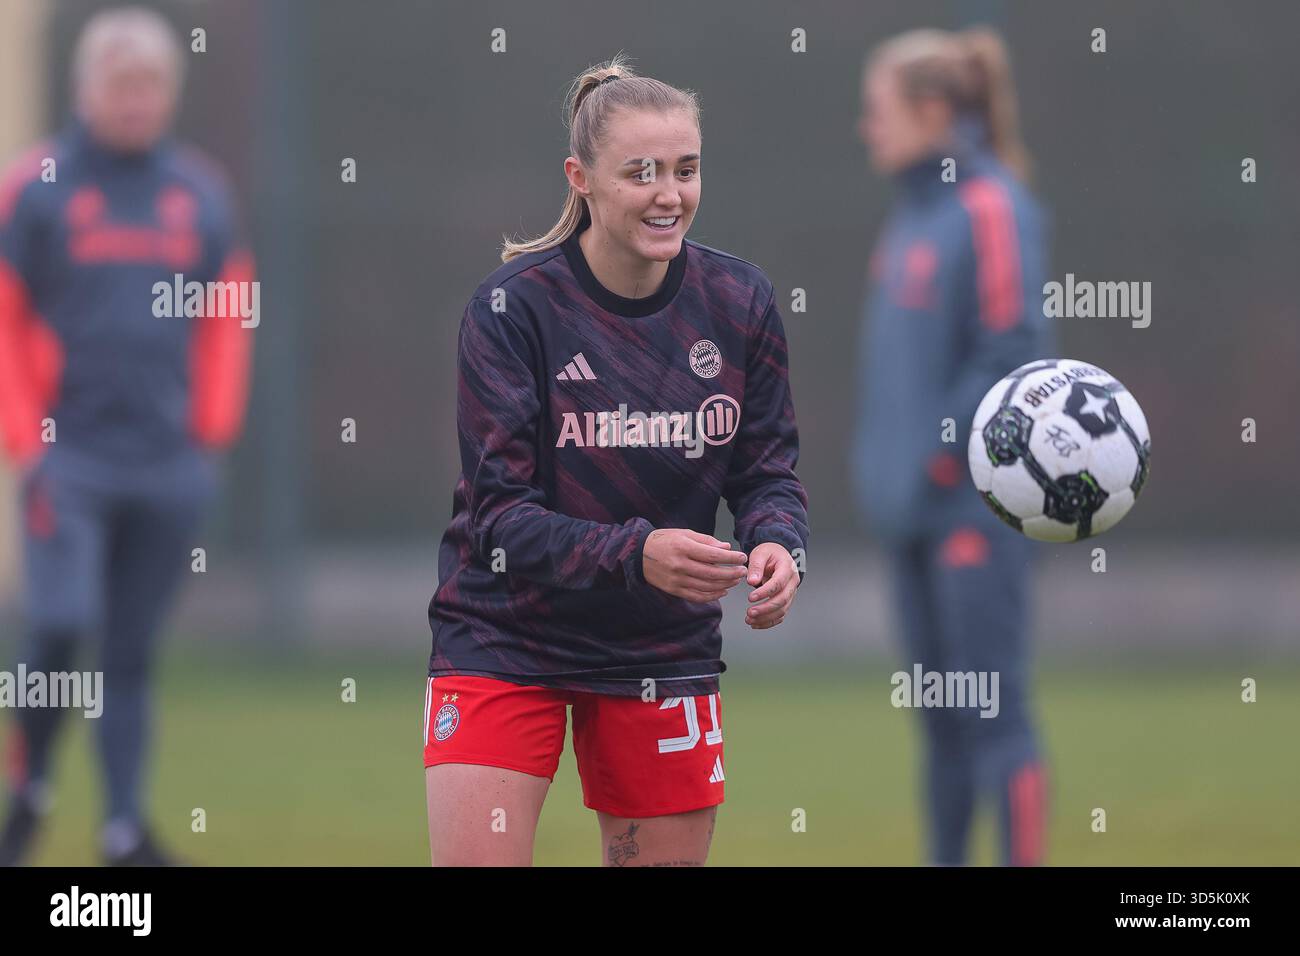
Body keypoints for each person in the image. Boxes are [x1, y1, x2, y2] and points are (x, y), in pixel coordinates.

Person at [424, 56, 809, 867]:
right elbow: (498, 518)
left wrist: (779, 543)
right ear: (582, 179)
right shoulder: (512, 310)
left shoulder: (741, 303)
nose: (669, 193)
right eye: (641, 172)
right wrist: (638, 552)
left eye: (686, 169)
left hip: (659, 646)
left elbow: (767, 470)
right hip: (504, 631)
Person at [0, 6, 254, 866]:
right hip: (66, 456)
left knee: (131, 651)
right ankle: (28, 796)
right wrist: (26, 440)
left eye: (151, 84)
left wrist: (208, 435)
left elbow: (229, 310)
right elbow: (4, 313)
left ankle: (120, 831)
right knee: (64, 620)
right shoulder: (35, 187)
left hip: (166, 464)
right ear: (87, 87)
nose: (137, 99)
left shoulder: (198, 193)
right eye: (122, 82)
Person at [852, 27, 1054, 865]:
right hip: (911, 517)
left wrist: (937, 458)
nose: (867, 128)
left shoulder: (992, 207)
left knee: (994, 717)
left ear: (933, 111)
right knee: (939, 728)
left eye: (878, 110)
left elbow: (1014, 351)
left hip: (974, 510)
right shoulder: (911, 217)